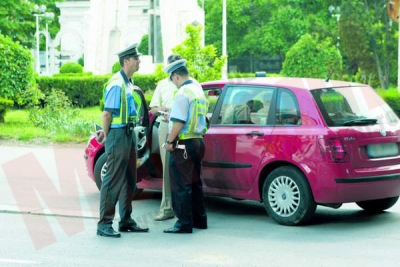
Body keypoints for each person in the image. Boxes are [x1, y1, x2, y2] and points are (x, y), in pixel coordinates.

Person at [96, 43, 149, 238]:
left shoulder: (127, 83)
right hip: (118, 136)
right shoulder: (117, 83)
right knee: (112, 180)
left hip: (128, 134)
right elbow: (107, 114)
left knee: (129, 179)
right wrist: (107, 134)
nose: (139, 62)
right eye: (136, 59)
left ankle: (126, 220)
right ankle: (104, 223)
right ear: (126, 61)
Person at [162, 59, 209, 234]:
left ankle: (183, 223)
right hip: (198, 141)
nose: (173, 84)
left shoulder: (182, 92)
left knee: (180, 184)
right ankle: (199, 220)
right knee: (195, 183)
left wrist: (169, 142)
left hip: (183, 144)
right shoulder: (198, 91)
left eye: (172, 80)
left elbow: (180, 121)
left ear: (176, 76)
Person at [149, 54, 183, 221]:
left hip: (183, 128)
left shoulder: (186, 84)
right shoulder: (162, 85)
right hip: (165, 127)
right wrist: (160, 109)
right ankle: (167, 207)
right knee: (167, 169)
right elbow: (153, 109)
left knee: (183, 167)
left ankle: (183, 208)